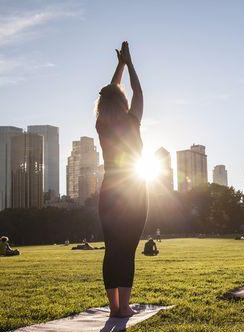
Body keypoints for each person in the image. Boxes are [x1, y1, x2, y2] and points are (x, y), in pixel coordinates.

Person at [96, 41, 147, 318]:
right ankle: (124, 307)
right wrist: (129, 63)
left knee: (112, 249)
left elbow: (111, 93)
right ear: (122, 101)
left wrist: (119, 65)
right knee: (127, 250)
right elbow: (137, 91)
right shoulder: (132, 121)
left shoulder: (102, 125)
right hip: (134, 191)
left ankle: (114, 306)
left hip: (109, 192)